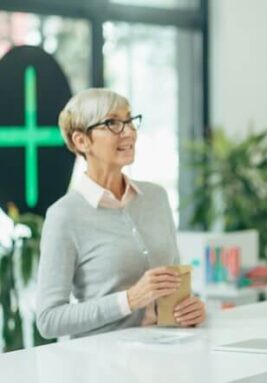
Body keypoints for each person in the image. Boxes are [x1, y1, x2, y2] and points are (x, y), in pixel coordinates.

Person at [36, 89, 205, 339]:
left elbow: (174, 288)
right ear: (82, 141)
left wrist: (190, 308)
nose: (129, 132)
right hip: (102, 366)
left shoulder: (156, 198)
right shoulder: (64, 215)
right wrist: (129, 299)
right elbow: (49, 320)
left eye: (129, 120)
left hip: (165, 354)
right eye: (112, 123)